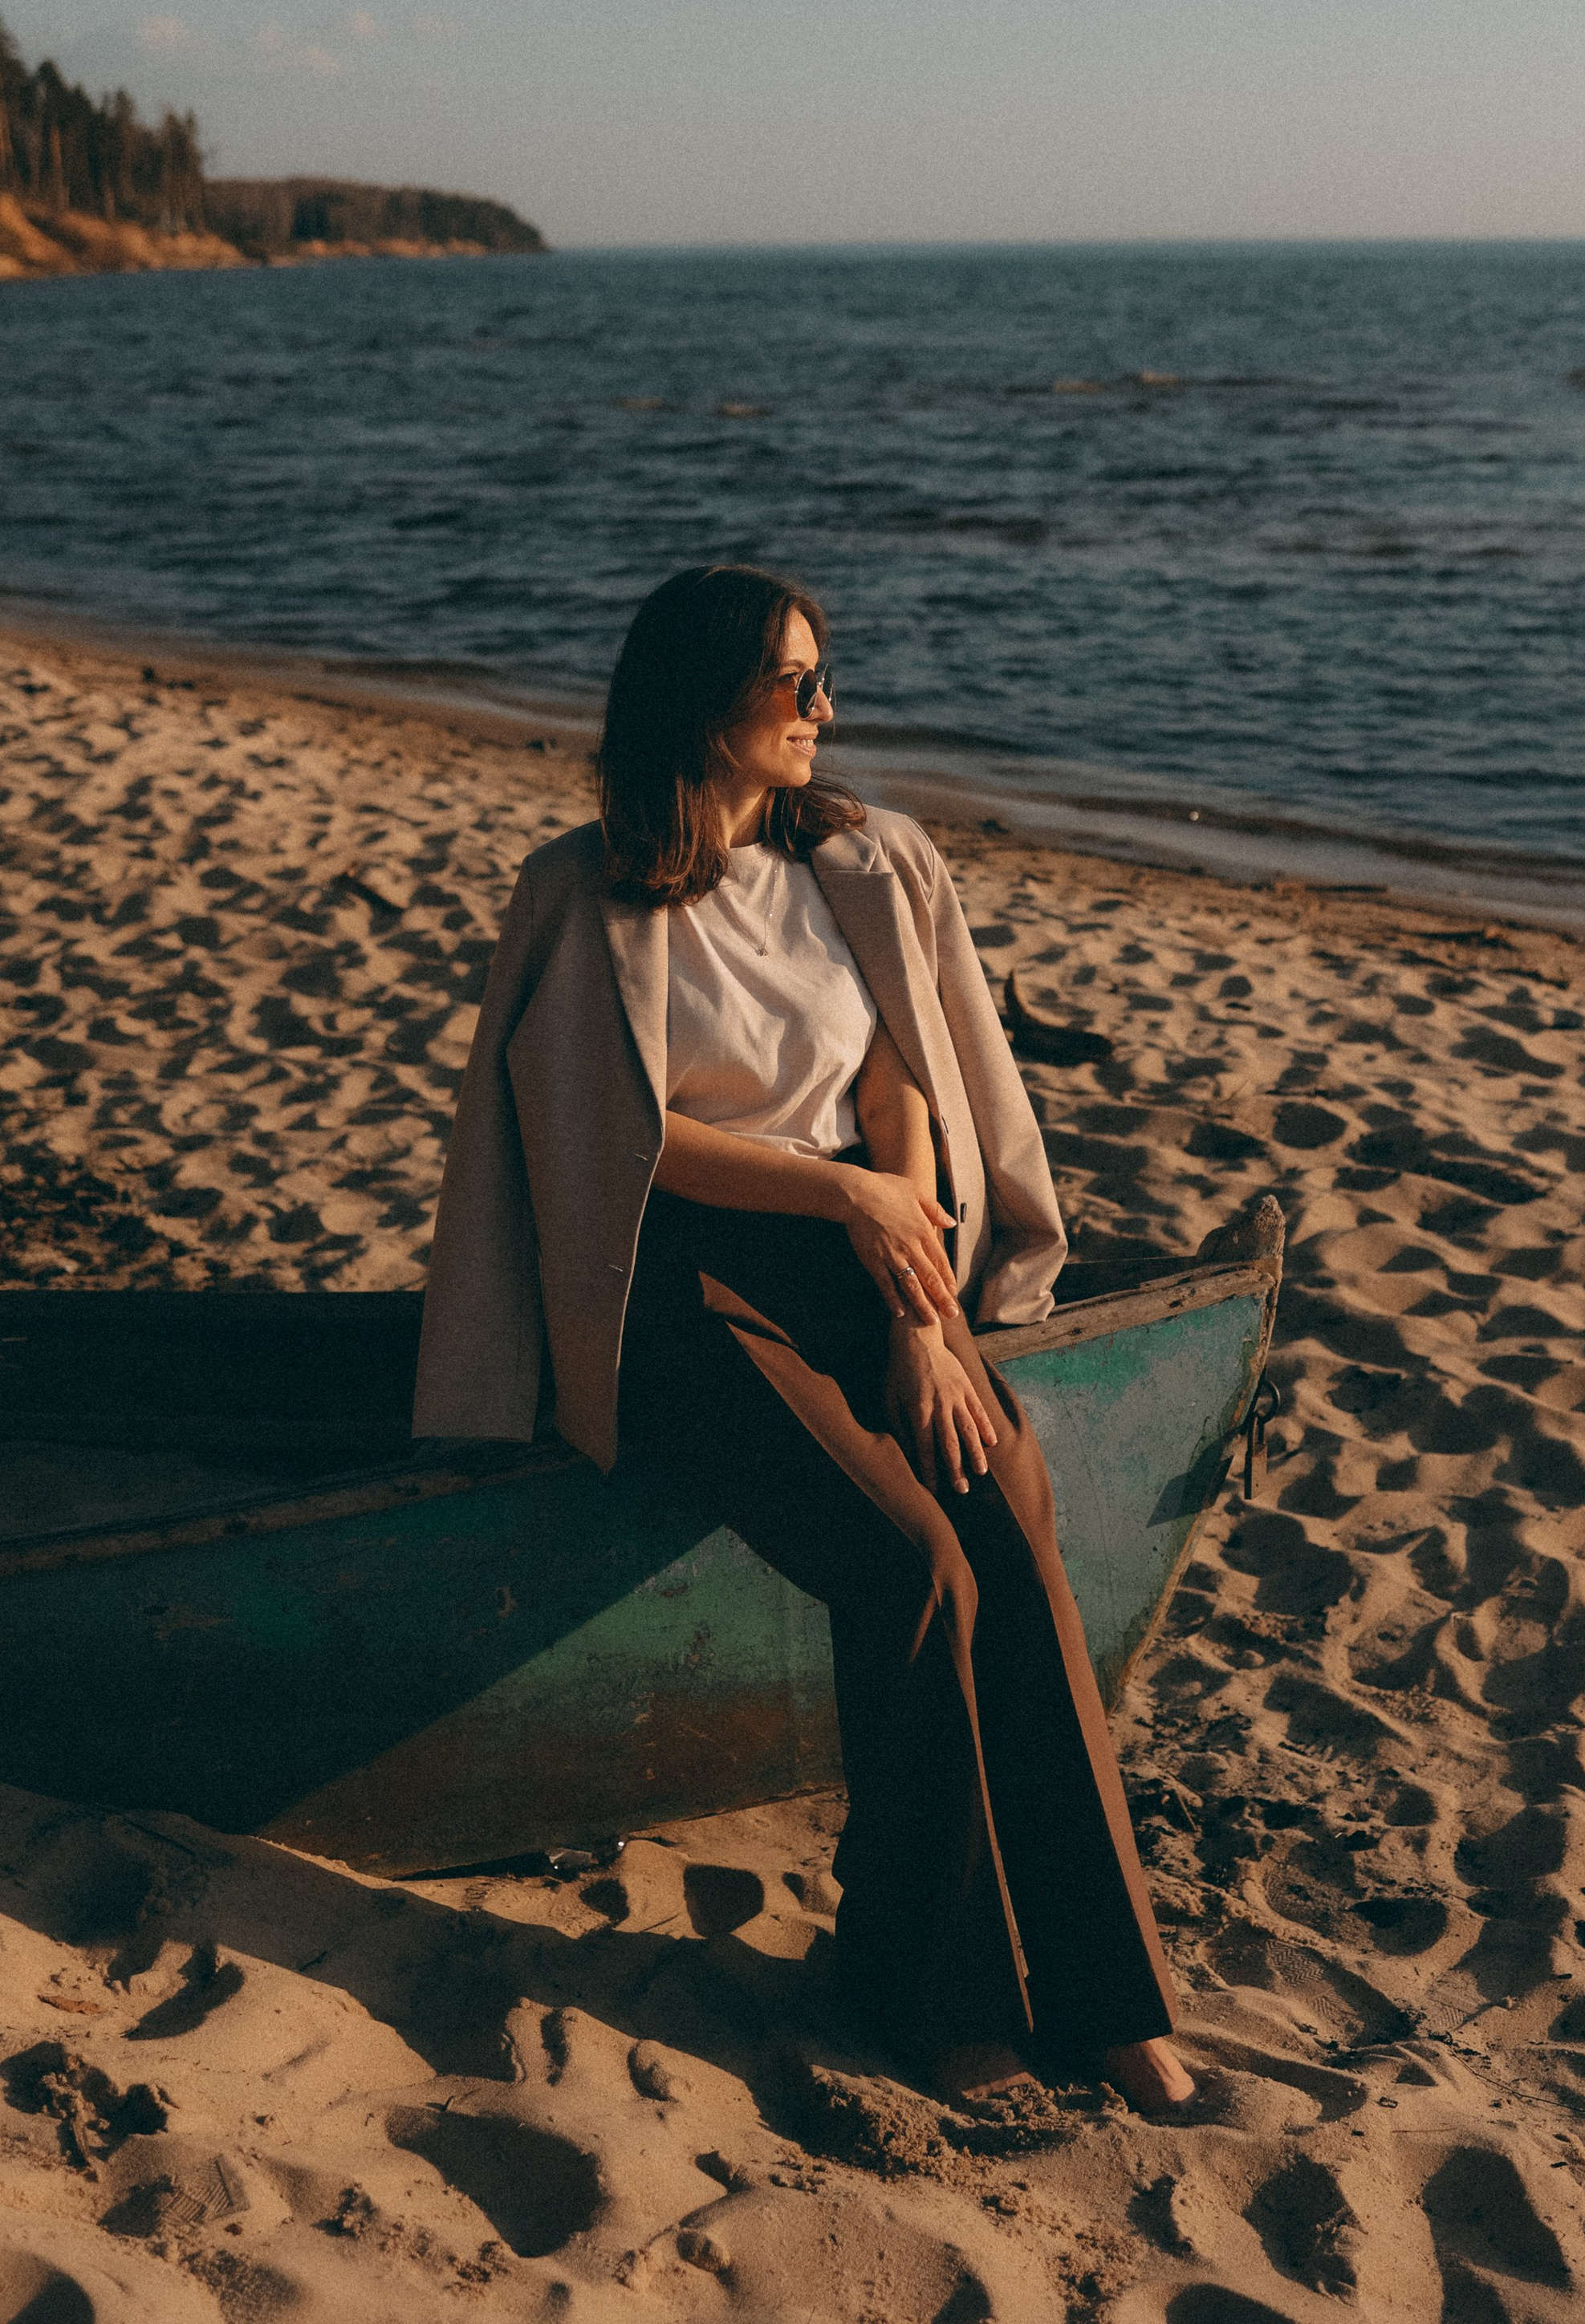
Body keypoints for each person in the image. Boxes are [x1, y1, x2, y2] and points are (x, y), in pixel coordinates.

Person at [413, 562, 1192, 2111]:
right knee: (909, 1564)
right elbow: (612, 1143)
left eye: (826, 676)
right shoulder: (588, 891)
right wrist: (838, 1202)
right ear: (703, 699)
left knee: (1014, 1531)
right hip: (677, 1277)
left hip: (871, 1249)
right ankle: (926, 1986)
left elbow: (905, 1086)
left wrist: (918, 1306)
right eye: (795, 682)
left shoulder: (859, 862)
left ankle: (1109, 1995)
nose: (827, 709)